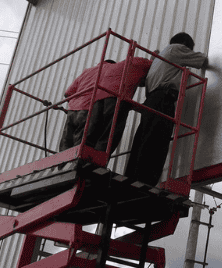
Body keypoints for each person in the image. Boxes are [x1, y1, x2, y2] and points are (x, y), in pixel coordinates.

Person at [124, 32, 208, 185]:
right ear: (184, 44)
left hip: (150, 101)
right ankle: (146, 180)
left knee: (143, 139)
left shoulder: (160, 58)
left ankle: (133, 177)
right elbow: (203, 60)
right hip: (163, 100)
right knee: (157, 140)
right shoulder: (176, 49)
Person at [59, 56, 152, 153]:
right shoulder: (110, 69)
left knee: (67, 141)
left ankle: (62, 165)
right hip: (88, 107)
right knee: (83, 141)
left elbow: (68, 93)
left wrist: (76, 104)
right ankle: (82, 162)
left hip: (73, 109)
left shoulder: (87, 71)